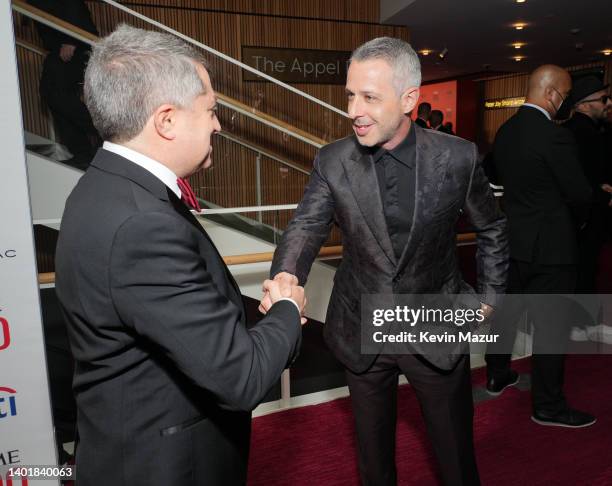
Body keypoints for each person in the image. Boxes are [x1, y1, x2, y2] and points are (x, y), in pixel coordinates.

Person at [55, 25, 304, 486]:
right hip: (165, 466)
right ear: (166, 120)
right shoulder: (141, 224)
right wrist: (288, 309)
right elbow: (242, 377)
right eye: (210, 110)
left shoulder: (103, 187)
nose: (217, 124)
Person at [260, 37, 508, 486]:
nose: (355, 109)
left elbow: (492, 229)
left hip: (435, 322)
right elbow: (305, 227)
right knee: (373, 461)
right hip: (363, 327)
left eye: (370, 97)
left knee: (455, 456)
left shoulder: (458, 157)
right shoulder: (333, 159)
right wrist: (285, 275)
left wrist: (489, 299)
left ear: (410, 98)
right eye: (350, 95)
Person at [485, 65, 595, 428]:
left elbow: (494, 176)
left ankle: (498, 374)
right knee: (550, 327)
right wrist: (576, 222)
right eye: (564, 96)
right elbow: (579, 194)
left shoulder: (505, 131)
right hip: (552, 247)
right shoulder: (555, 136)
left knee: (507, 314)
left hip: (513, 242)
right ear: (551, 95)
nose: (564, 103)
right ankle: (547, 406)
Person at [563, 76, 612, 344]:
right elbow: (579, 179)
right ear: (583, 105)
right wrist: (600, 192)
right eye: (603, 99)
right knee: (582, 267)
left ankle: (585, 324)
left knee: (584, 267)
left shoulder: (586, 130)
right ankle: (581, 325)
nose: (608, 104)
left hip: (583, 212)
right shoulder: (582, 133)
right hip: (582, 214)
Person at [28, 0, 101, 169]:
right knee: (49, 95)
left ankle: (102, 132)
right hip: (57, 49)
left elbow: (73, 6)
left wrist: (72, 40)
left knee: (58, 96)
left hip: (74, 46)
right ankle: (82, 151)